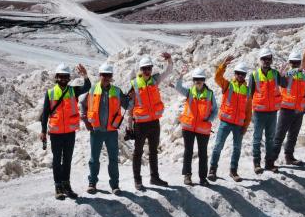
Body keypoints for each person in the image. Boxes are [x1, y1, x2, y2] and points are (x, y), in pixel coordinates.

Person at [39, 63, 90, 200]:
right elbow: (45, 114)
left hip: (69, 133)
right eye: (61, 76)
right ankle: (58, 186)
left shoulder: (73, 91)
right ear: (56, 77)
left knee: (67, 160)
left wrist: (85, 75)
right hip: (55, 133)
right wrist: (43, 131)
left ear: (68, 78)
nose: (63, 79)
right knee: (56, 160)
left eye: (65, 76)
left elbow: (87, 87)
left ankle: (66, 185)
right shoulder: (50, 93)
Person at [81, 63, 130, 195]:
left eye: (109, 75)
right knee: (94, 159)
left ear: (111, 76)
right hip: (96, 131)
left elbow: (128, 106)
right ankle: (92, 183)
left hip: (111, 132)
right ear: (100, 75)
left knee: (113, 159)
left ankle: (115, 185)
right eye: (104, 75)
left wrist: (131, 96)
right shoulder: (92, 90)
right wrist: (85, 120)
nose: (107, 77)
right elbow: (82, 104)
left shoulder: (117, 91)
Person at [126, 53, 173, 191]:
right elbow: (130, 108)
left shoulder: (155, 80)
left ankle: (154, 177)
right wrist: (129, 127)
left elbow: (168, 71)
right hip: (140, 124)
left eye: (149, 68)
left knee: (153, 151)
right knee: (138, 152)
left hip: (154, 123)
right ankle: (137, 180)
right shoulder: (134, 84)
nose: (147, 71)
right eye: (144, 69)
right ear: (140, 70)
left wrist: (169, 60)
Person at [269, 40, 305, 167]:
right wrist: (296, 69)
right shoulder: (287, 74)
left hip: (298, 111)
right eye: (293, 62)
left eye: (297, 62)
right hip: (286, 110)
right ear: (290, 63)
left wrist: (304, 107)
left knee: (293, 136)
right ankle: (271, 161)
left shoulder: (303, 76)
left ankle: (289, 157)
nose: (295, 64)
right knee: (279, 136)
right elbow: (281, 78)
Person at [208, 56, 251, 182]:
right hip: (225, 122)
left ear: (245, 75)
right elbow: (217, 78)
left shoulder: (247, 91)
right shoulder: (228, 85)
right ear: (235, 74)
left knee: (237, 148)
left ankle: (233, 171)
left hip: (239, 124)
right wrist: (223, 65)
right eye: (238, 73)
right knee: (218, 146)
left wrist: (246, 126)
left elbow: (249, 111)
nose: (240, 76)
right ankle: (212, 170)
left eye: (242, 74)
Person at [247, 47, 289, 174]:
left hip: (272, 112)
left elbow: (284, 85)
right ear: (260, 60)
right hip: (259, 113)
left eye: (268, 59)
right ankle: (257, 163)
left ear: (271, 60)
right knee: (257, 138)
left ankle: (269, 163)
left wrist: (283, 76)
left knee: (270, 138)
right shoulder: (254, 75)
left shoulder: (275, 73)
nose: (266, 61)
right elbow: (249, 95)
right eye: (264, 59)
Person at [173, 67, 217, 186]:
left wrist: (209, 119)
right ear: (193, 80)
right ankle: (187, 176)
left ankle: (203, 178)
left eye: (200, 79)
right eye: (196, 79)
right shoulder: (189, 92)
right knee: (188, 151)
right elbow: (178, 87)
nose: (198, 81)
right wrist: (181, 76)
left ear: (204, 80)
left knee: (203, 153)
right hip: (188, 127)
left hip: (203, 128)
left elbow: (215, 110)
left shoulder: (209, 94)